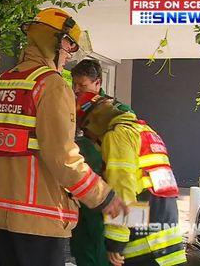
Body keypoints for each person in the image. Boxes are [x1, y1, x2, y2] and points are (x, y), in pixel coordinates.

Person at [0, 7, 128, 266]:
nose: (67, 58)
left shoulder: (0, 84)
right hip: (39, 217)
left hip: (0, 215)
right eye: (68, 49)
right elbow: (63, 156)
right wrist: (104, 197)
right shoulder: (51, 85)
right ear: (54, 42)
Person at [76, 92, 186, 266]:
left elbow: (123, 190)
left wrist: (116, 242)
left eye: (86, 129)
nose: (89, 136)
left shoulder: (118, 136)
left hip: (145, 248)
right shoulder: (147, 132)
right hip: (168, 244)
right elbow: (144, 189)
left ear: (94, 120)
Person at [70, 59, 133, 266]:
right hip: (82, 193)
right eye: (74, 85)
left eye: (83, 85)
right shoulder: (72, 110)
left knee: (107, 253)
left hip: (108, 192)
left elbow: (126, 180)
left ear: (98, 84)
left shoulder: (116, 112)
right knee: (82, 251)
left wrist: (121, 236)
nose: (77, 90)